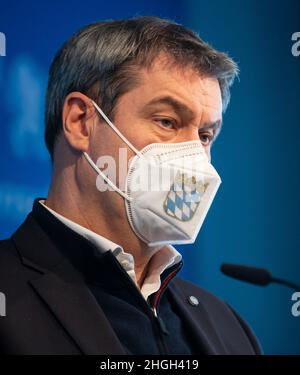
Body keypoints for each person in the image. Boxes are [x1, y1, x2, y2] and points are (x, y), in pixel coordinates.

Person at [0, 16, 261, 355]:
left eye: (205, 135)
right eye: (167, 121)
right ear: (81, 122)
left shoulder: (230, 328)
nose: (195, 156)